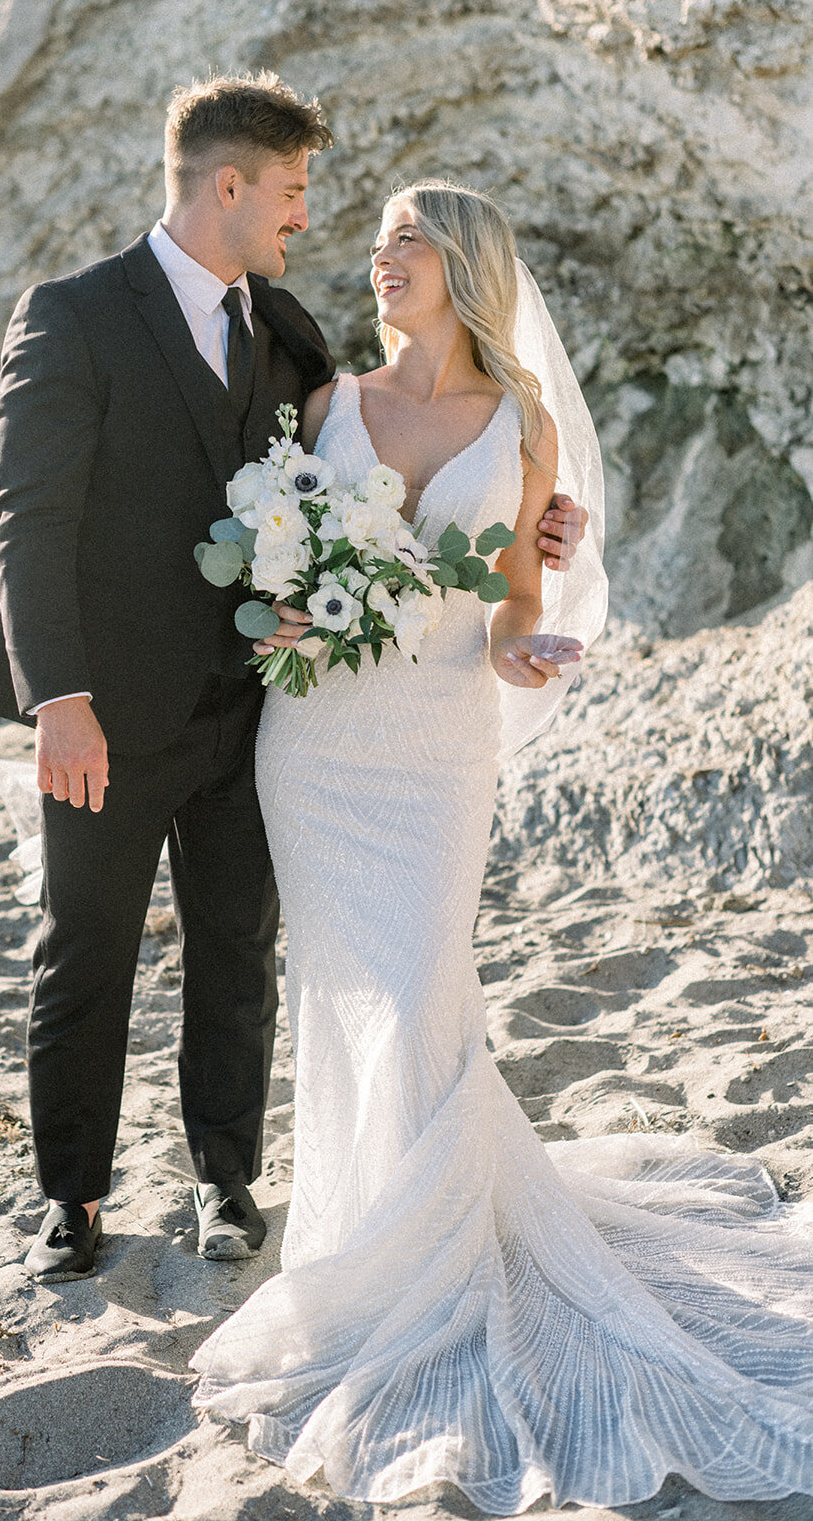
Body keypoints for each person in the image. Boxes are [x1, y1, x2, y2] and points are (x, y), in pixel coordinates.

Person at [191, 183, 813, 1512]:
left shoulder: (522, 423)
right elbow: (278, 574)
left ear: (462, 261)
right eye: (371, 248)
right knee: (344, 996)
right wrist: (282, 614)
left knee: (423, 988)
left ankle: (430, 1255)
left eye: (404, 242)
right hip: (313, 741)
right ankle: (360, 1236)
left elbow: (508, 607)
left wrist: (524, 648)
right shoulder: (330, 409)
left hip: (432, 745)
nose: (379, 262)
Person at [0, 78, 586, 1284]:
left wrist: (534, 518)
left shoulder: (288, 331)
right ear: (228, 183)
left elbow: (375, 478)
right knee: (84, 944)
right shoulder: (73, 314)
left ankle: (222, 1181)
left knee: (235, 949)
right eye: (294, 192)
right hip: (101, 713)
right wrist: (57, 697)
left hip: (263, 705)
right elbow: (25, 518)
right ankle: (72, 1199)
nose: (311, 219)